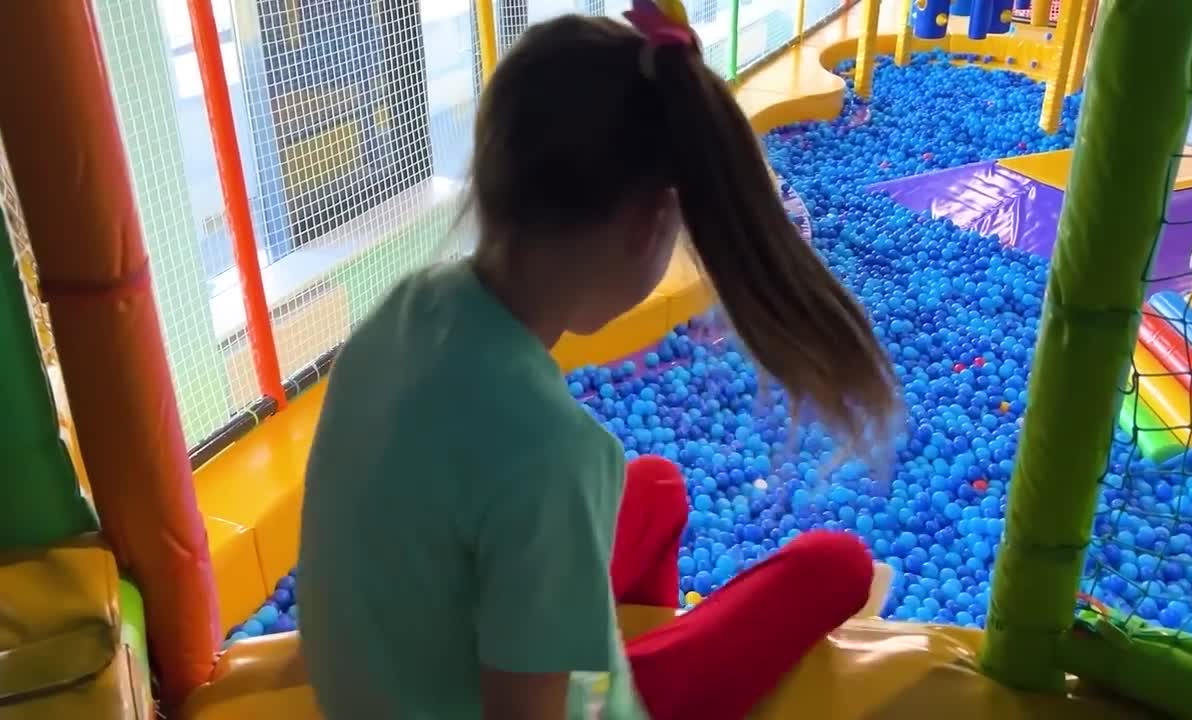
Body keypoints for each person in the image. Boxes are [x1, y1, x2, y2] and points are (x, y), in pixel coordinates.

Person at [298, 2, 900, 718]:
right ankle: (630, 659)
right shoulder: (551, 451)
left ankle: (599, 639)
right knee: (835, 567)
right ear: (647, 224)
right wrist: (604, 684)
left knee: (658, 489)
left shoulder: (410, 306)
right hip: (534, 699)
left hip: (401, 668)